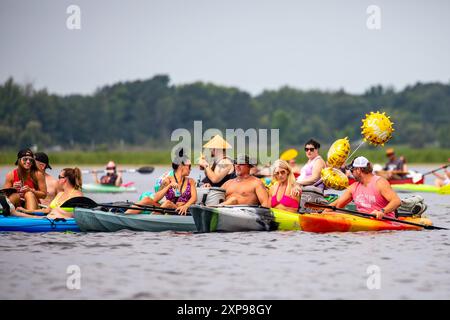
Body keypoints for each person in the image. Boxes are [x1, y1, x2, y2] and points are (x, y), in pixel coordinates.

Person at [327, 156, 401, 219]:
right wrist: (322, 213)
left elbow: (397, 201)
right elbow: (337, 204)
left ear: (358, 170)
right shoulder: (353, 187)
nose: (351, 173)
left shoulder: (380, 183)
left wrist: (382, 211)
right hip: (364, 221)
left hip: (384, 223)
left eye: (352, 170)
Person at [126, 157, 197, 215]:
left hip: (181, 209)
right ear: (181, 166)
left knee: (167, 203)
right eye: (189, 166)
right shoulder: (167, 180)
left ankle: (150, 219)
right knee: (146, 199)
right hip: (168, 208)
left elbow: (194, 198)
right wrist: (169, 186)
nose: (190, 169)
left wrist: (185, 206)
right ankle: (125, 216)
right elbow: (156, 199)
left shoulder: (191, 181)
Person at [16, 168, 83, 218]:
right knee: (18, 214)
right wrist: (25, 211)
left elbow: (79, 213)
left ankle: (15, 213)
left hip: (62, 221)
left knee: (16, 214)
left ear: (64, 180)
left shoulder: (77, 194)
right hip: (49, 218)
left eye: (59, 177)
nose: (58, 179)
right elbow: (47, 210)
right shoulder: (60, 194)